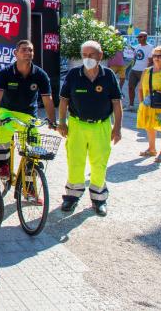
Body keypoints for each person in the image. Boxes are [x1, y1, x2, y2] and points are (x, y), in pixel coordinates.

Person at [58, 41, 122, 217]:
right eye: (84, 55)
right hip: (77, 125)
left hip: (101, 126)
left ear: (100, 56)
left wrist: (117, 128)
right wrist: (62, 122)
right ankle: (72, 196)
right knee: (75, 162)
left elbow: (117, 103)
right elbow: (64, 100)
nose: (87, 58)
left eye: (91, 55)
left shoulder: (108, 76)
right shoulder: (73, 74)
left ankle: (99, 199)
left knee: (99, 163)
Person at [0, 40, 57, 179]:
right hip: (7, 112)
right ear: (16, 53)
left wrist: (52, 120)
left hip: (28, 114)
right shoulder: (5, 73)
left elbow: (47, 99)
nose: (28, 53)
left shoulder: (40, 74)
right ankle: (2, 165)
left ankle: (30, 184)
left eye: (30, 50)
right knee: (3, 133)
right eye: (24, 50)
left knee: (34, 144)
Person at [126, 32, 154, 111]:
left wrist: (147, 71)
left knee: (143, 89)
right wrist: (131, 67)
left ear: (145, 37)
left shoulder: (150, 47)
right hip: (134, 70)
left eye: (140, 37)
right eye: (138, 37)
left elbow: (150, 61)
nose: (138, 38)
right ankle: (131, 105)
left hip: (143, 71)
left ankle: (144, 106)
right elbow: (134, 58)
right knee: (130, 87)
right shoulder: (137, 46)